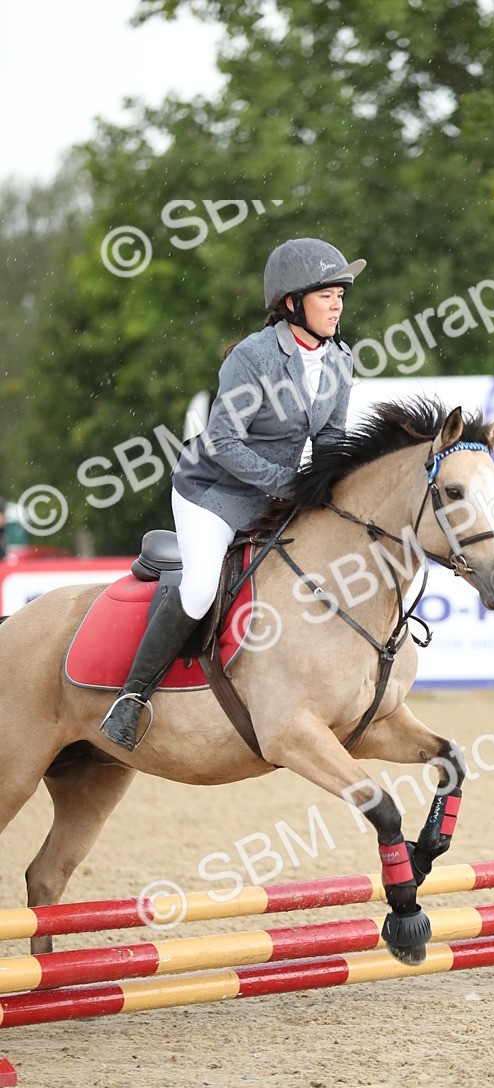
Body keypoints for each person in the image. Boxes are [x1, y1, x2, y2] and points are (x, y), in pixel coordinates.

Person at [100, 237, 366, 751]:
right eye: (326, 295)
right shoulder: (254, 357)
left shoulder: (340, 359)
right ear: (292, 303)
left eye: (340, 295)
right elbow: (223, 442)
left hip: (275, 495)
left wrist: (333, 489)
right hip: (212, 492)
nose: (337, 306)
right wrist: (289, 485)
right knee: (202, 587)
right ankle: (131, 699)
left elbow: (331, 437)